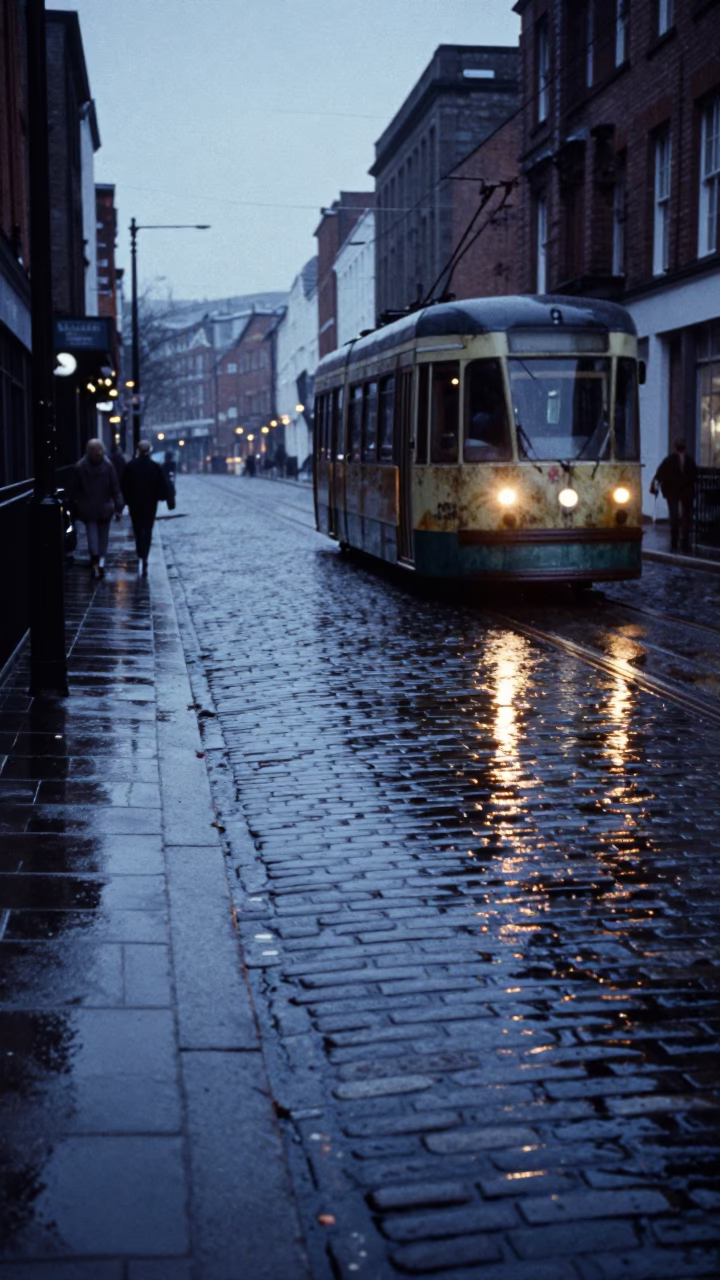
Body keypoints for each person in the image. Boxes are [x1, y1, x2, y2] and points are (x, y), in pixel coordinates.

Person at [69, 438, 124, 578]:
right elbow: (115, 487)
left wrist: (75, 506)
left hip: (88, 507)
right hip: (103, 506)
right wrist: (119, 506)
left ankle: (96, 561)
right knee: (102, 536)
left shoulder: (80, 466)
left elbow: (74, 489)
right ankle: (100, 561)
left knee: (92, 534)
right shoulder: (108, 465)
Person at [121, 439, 168, 575]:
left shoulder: (130, 466)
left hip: (135, 503)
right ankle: (144, 554)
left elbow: (124, 485)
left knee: (137, 528)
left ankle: (140, 551)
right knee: (147, 528)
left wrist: (127, 500)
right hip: (150, 503)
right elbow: (161, 486)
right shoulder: (155, 466)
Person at [651, 437, 698, 553]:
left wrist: (657, 487)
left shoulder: (670, 460)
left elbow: (660, 474)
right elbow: (694, 476)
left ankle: (676, 541)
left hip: (674, 492)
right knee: (684, 517)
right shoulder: (689, 460)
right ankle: (683, 541)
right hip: (682, 492)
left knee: (675, 516)